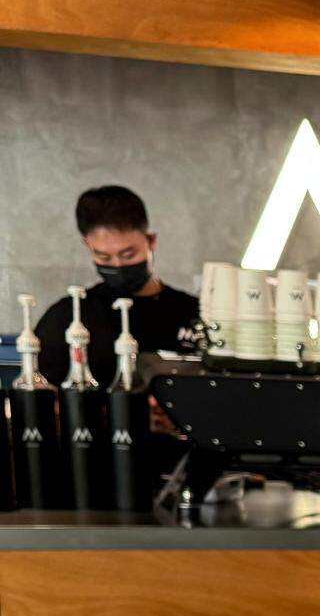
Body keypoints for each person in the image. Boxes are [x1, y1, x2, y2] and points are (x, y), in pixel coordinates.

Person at [34, 186, 199, 434]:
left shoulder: (193, 313)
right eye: (104, 257)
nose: (118, 265)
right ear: (87, 245)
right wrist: (118, 414)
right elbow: (42, 403)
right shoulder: (68, 317)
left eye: (128, 254)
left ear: (151, 241)